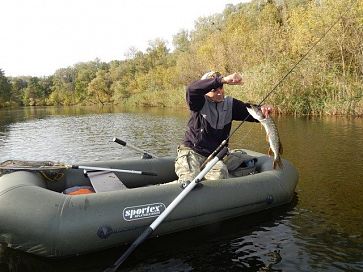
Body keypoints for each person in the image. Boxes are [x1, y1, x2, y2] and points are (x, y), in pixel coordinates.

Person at [175, 71, 273, 183]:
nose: (219, 92)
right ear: (205, 91)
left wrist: (264, 109)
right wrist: (223, 80)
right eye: (214, 89)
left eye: (220, 87)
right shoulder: (198, 102)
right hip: (193, 153)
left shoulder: (230, 104)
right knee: (189, 181)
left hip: (216, 157)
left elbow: (253, 113)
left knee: (237, 168)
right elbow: (191, 89)